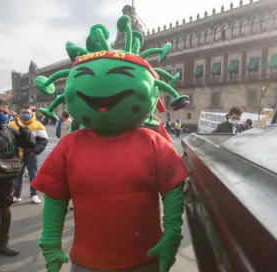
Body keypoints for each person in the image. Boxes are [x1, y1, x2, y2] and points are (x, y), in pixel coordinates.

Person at [31, 16, 189, 272]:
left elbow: (172, 190)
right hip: (87, 262)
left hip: (144, 258)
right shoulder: (70, 145)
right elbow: (56, 198)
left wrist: (172, 233)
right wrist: (50, 240)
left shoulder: (153, 142)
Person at [0, 99, 35, 256]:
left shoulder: (9, 130)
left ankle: (1, 243)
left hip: (5, 178)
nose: (2, 114)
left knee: (4, 210)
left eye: (5, 112)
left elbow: (29, 143)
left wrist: (21, 126)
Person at [10, 106, 48, 204]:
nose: (26, 114)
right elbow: (8, 140)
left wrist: (35, 151)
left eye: (28, 112)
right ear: (20, 113)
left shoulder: (38, 125)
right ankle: (16, 195)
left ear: (32, 114)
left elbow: (43, 141)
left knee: (33, 174)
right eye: (23, 112)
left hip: (31, 153)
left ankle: (34, 194)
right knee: (17, 175)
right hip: (17, 153)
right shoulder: (12, 125)